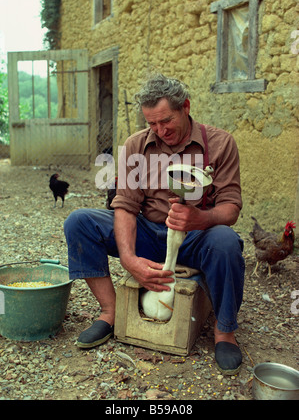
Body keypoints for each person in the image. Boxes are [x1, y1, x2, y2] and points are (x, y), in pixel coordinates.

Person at [64, 73, 245, 375]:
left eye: (166, 121)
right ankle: (110, 313)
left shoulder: (219, 143)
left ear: (185, 107)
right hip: (148, 233)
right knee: (79, 222)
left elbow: (231, 208)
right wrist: (129, 258)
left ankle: (225, 331)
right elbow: (124, 205)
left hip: (196, 238)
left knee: (226, 241)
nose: (160, 131)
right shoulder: (136, 145)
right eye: (151, 124)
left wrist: (203, 218)